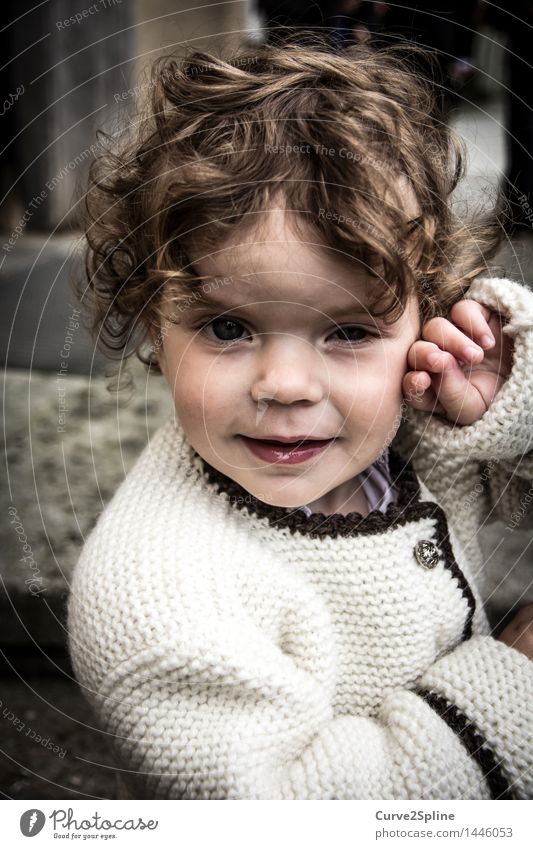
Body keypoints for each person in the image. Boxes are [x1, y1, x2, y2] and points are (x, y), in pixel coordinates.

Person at [68, 35, 533, 800]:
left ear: (425, 313)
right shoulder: (157, 595)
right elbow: (286, 811)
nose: (284, 386)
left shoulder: (413, 432)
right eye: (226, 327)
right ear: (155, 323)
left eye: (348, 331)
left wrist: (507, 404)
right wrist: (510, 685)